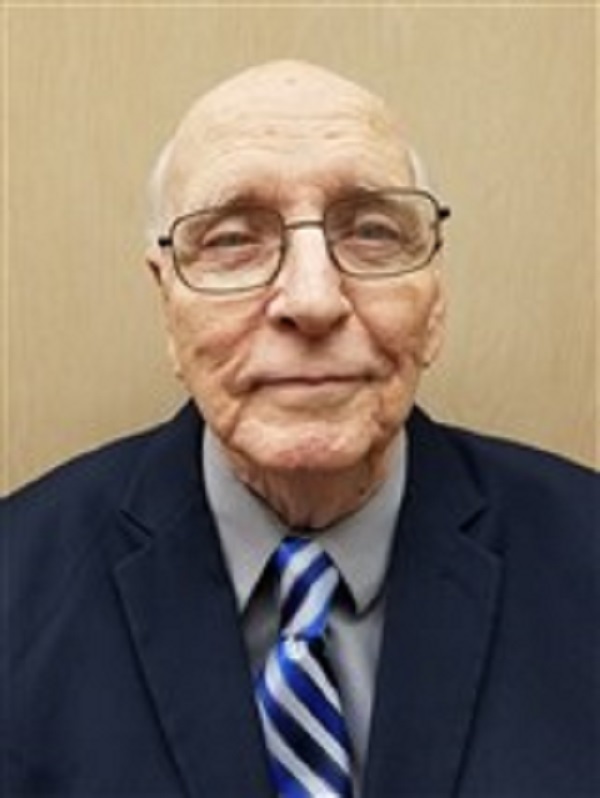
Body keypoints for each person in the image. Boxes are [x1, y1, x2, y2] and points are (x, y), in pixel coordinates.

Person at [1, 59, 597, 798]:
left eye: (372, 232)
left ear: (435, 296)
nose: (313, 300)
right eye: (232, 240)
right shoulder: (18, 587)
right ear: (168, 303)